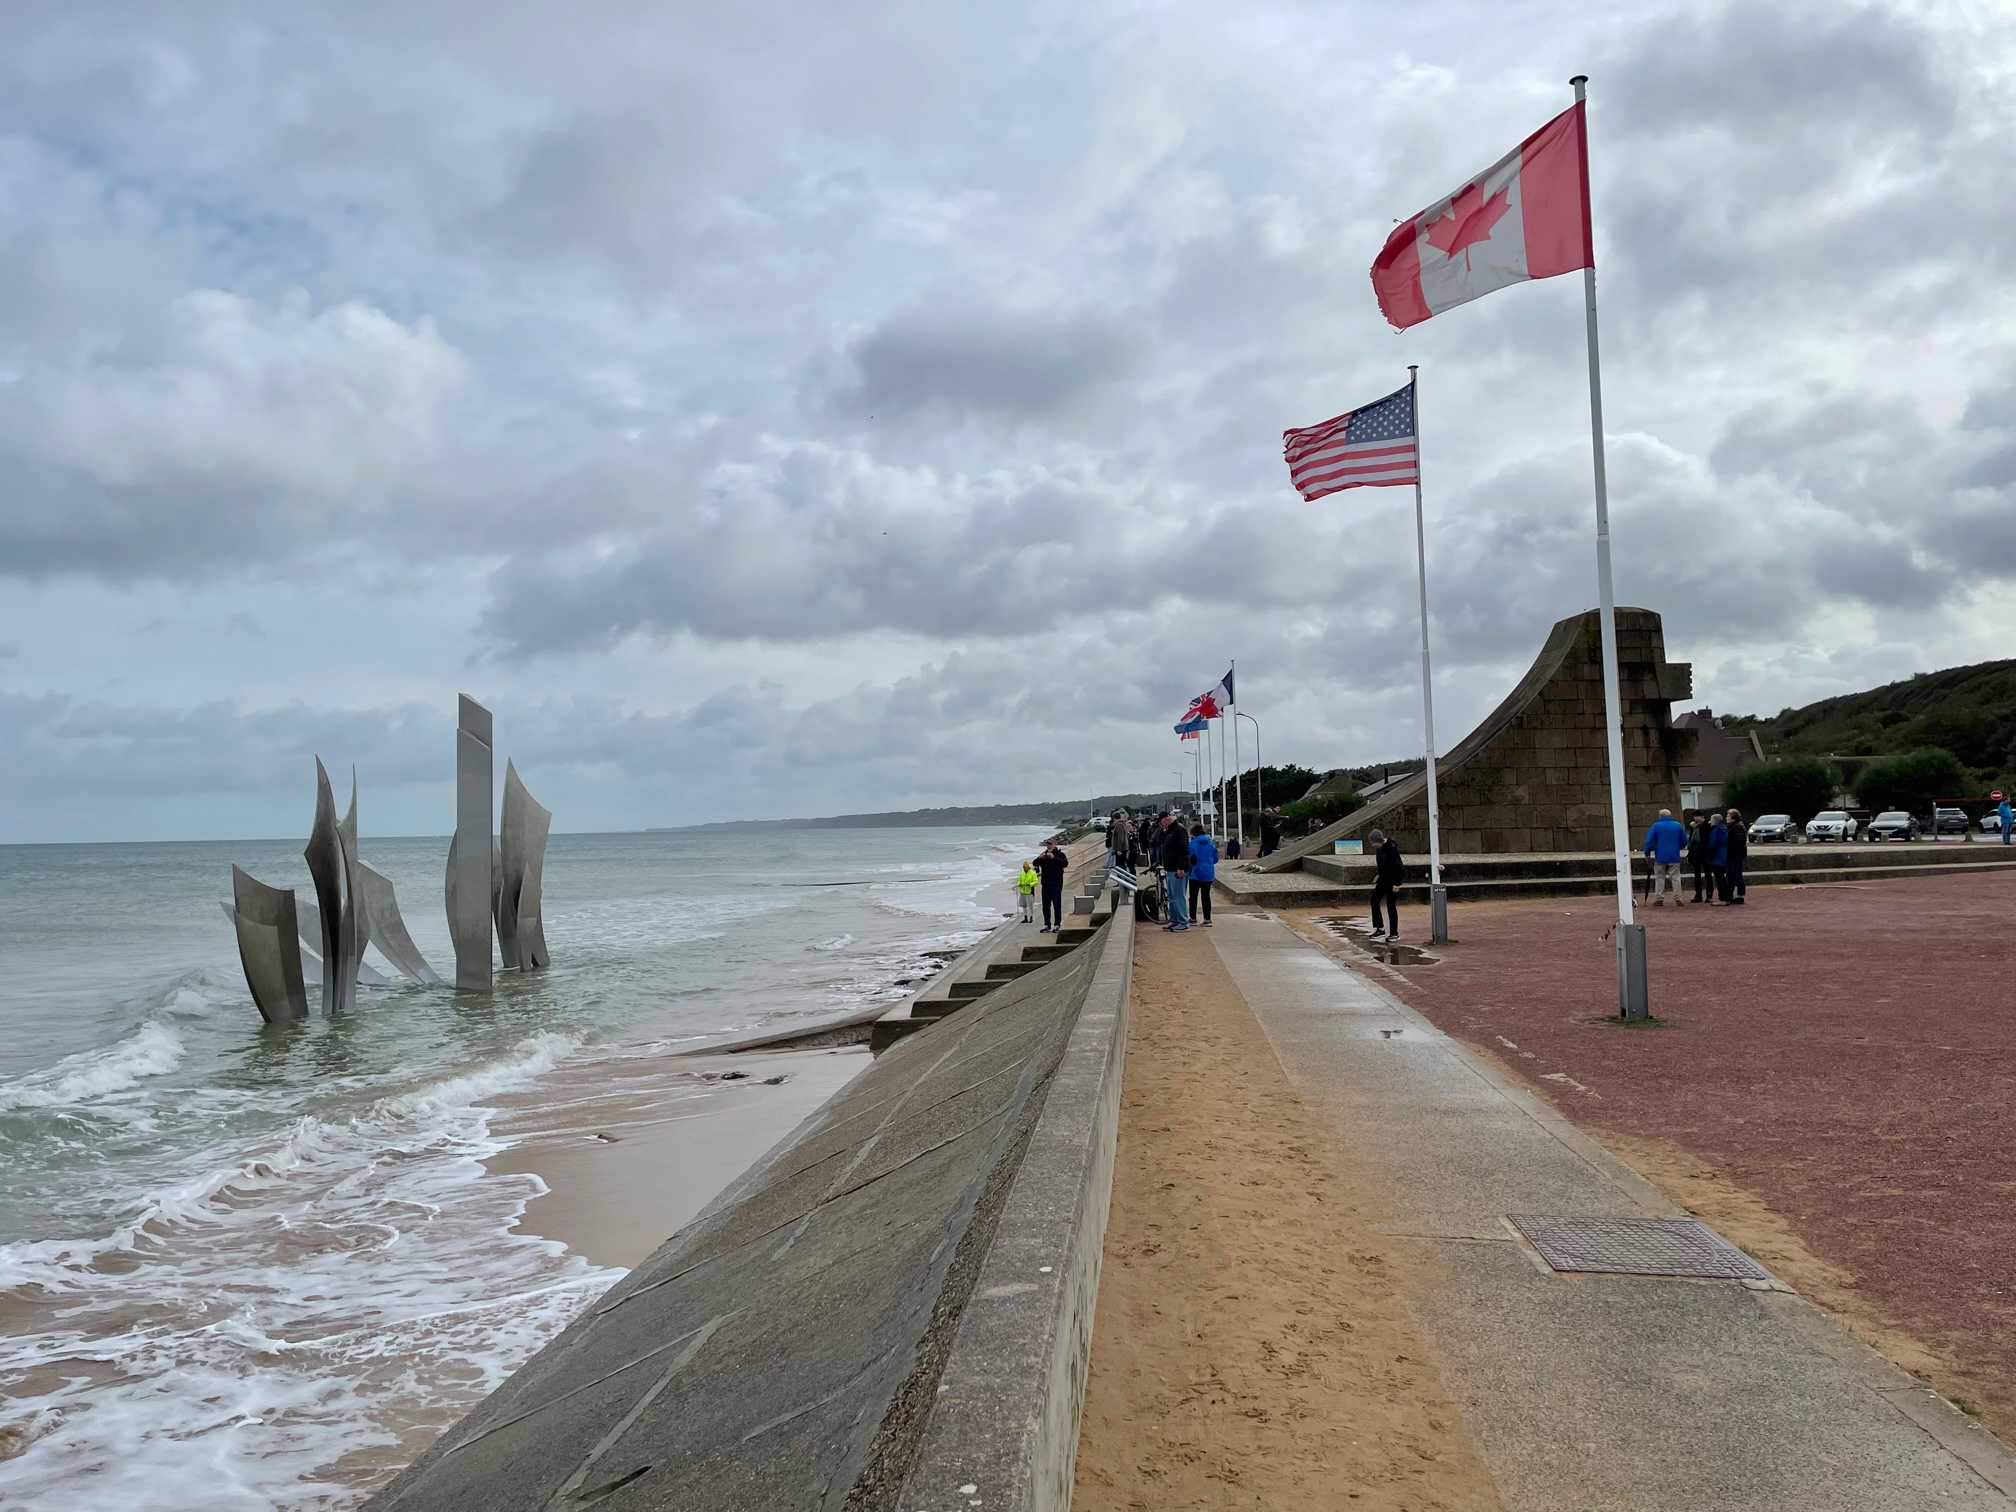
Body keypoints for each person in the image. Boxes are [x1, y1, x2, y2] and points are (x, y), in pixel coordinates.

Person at [1641, 807, 1688, 907]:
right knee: (1676, 877)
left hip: (1660, 856)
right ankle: (1678, 898)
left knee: (1659, 877)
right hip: (1674, 855)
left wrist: (1647, 854)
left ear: (1660, 816)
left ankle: (1659, 899)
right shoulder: (1678, 825)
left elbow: (1649, 841)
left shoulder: (1656, 826)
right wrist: (1678, 847)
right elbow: (1684, 841)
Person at [1368, 827, 1403, 940]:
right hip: (1383, 880)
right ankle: (1380, 928)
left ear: (1379, 840)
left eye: (1373, 843)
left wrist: (1397, 883)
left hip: (1393, 881)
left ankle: (1394, 933)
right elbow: (1382, 865)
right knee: (1374, 900)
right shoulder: (1379, 849)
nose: (1372, 845)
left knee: (1391, 906)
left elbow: (1399, 866)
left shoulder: (1391, 848)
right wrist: (1378, 875)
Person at [1158, 812, 1191, 931]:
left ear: (1166, 820)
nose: (1161, 825)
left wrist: (1181, 867)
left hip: (1178, 869)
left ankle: (1183, 922)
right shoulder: (1169, 831)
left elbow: (1183, 849)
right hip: (1170, 868)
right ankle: (1174, 920)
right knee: (1172, 896)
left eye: (1161, 822)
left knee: (1179, 896)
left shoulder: (1179, 830)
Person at [1187, 822, 1218, 927]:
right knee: (1206, 896)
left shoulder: (1192, 843)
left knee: (1193, 896)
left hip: (1195, 873)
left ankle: (1193, 918)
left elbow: (1190, 858)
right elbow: (1216, 859)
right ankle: (1207, 919)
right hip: (1208, 872)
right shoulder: (1211, 843)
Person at [1033, 841, 1069, 932]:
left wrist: (1054, 858)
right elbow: (1035, 863)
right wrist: (1039, 858)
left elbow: (1065, 864)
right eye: (1047, 844)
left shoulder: (1060, 854)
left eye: (1050, 844)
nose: (1048, 845)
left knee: (1056, 905)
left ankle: (1057, 924)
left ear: (1054, 844)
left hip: (1056, 884)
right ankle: (1047, 925)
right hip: (1045, 884)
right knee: (1045, 906)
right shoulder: (1044, 855)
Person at [1725, 808, 1749, 904]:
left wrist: (1729, 847)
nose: (1726, 817)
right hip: (1734, 854)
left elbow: (1738, 842)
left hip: (1735, 855)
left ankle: (1739, 896)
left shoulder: (1736, 827)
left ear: (1733, 818)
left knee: (1736, 874)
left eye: (1728, 816)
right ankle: (1731, 895)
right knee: (1732, 875)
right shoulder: (1734, 826)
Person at [1687, 810, 1712, 903]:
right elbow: (1691, 840)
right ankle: (1698, 894)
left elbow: (1706, 840)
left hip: (1705, 853)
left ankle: (1709, 894)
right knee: (1697, 875)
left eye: (1697, 816)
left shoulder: (1707, 826)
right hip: (1695, 854)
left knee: (1707, 874)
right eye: (1694, 816)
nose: (1695, 818)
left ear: (1702, 817)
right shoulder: (1693, 827)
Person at [1706, 811, 1731, 903]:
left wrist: (1708, 854)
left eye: (1711, 820)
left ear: (1715, 821)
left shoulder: (1716, 830)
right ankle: (1725, 896)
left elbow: (1713, 843)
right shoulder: (1724, 828)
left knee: (1719, 877)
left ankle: (1723, 897)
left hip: (1717, 856)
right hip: (1723, 855)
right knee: (1722, 877)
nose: (1710, 822)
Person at [1015, 858, 1039, 923]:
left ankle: (1031, 917)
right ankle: (1025, 917)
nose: (1025, 868)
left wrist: (1030, 884)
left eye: (1026, 867)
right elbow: (1019, 880)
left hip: (1029, 892)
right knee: (1024, 906)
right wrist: (1019, 884)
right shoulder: (1022, 873)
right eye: (1024, 867)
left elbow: (1036, 882)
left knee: (1030, 906)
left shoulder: (1032, 873)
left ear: (1028, 867)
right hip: (1022, 892)